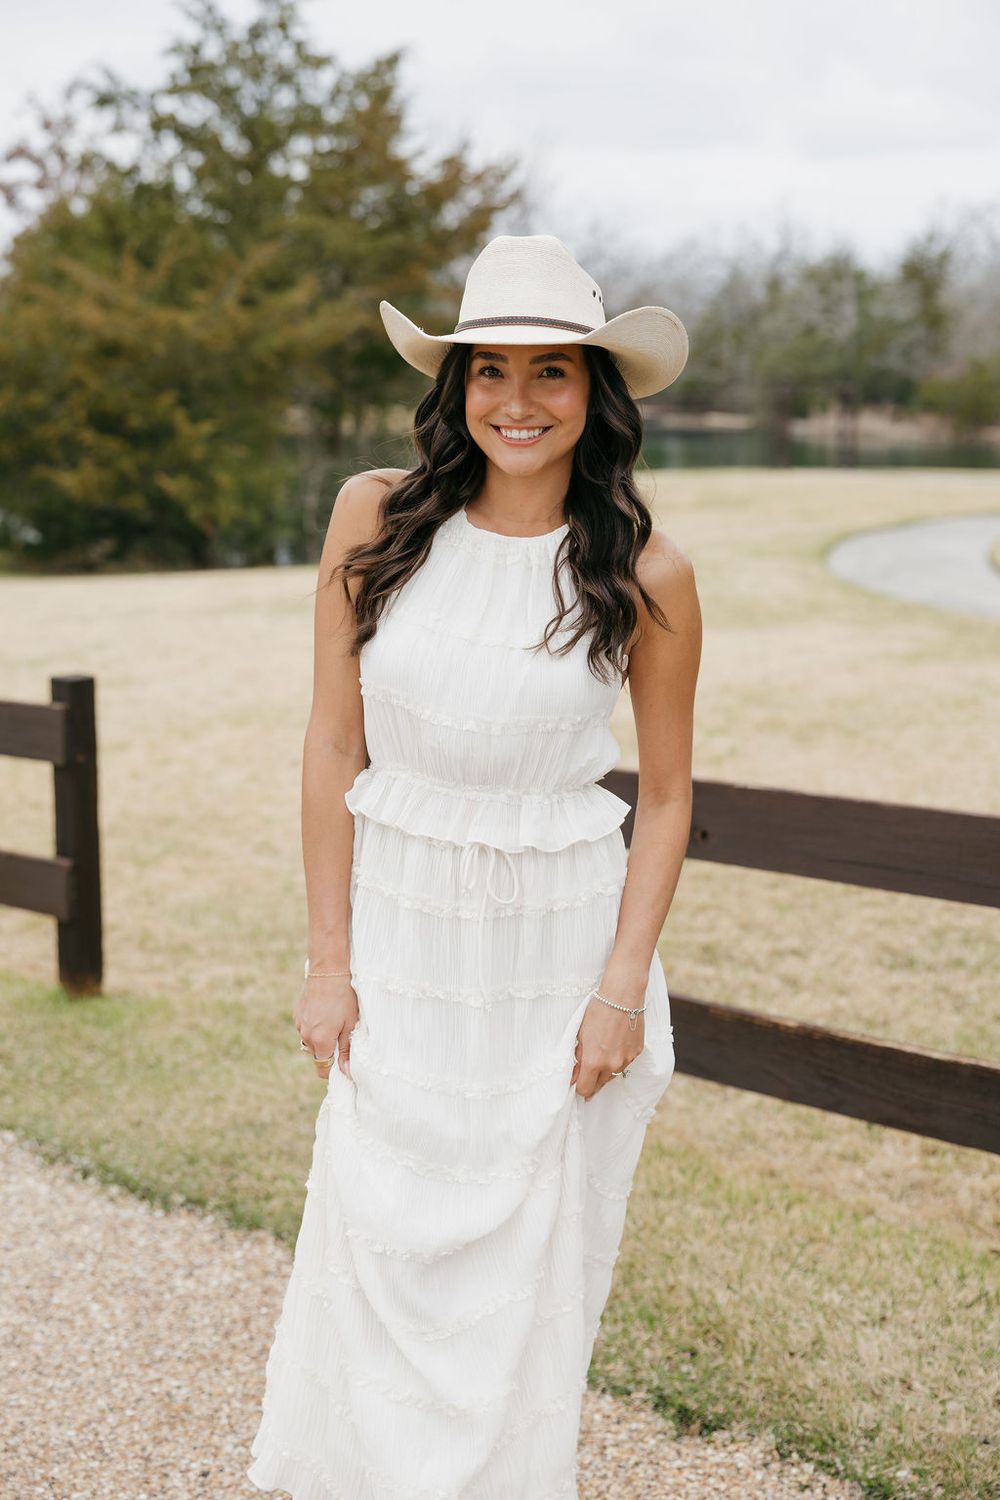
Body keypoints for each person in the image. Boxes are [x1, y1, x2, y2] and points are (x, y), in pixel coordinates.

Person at [247, 233, 702, 1499]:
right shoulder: (375, 516)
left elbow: (666, 798)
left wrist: (619, 990)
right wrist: (326, 962)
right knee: (378, 1234)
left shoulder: (645, 571)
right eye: (488, 369)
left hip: (554, 963)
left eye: (551, 371)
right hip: (400, 941)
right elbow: (332, 741)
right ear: (453, 388)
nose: (517, 400)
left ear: (595, 393)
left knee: (521, 1275)